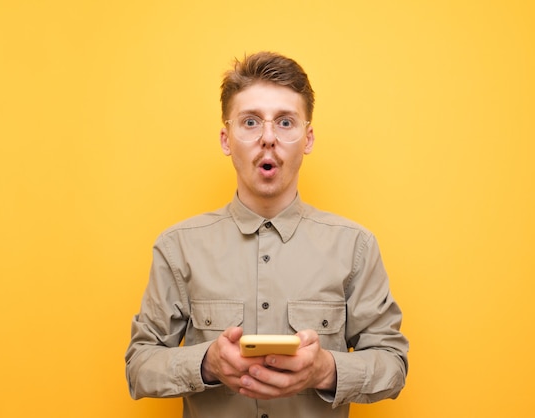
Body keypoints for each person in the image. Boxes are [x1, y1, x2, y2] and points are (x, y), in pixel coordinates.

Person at [125, 51, 408, 418]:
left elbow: (393, 365)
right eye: (251, 122)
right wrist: (206, 364)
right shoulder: (176, 247)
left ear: (307, 139)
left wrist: (325, 370)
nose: (269, 138)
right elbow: (138, 366)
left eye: (286, 122)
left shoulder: (356, 247)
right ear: (227, 140)